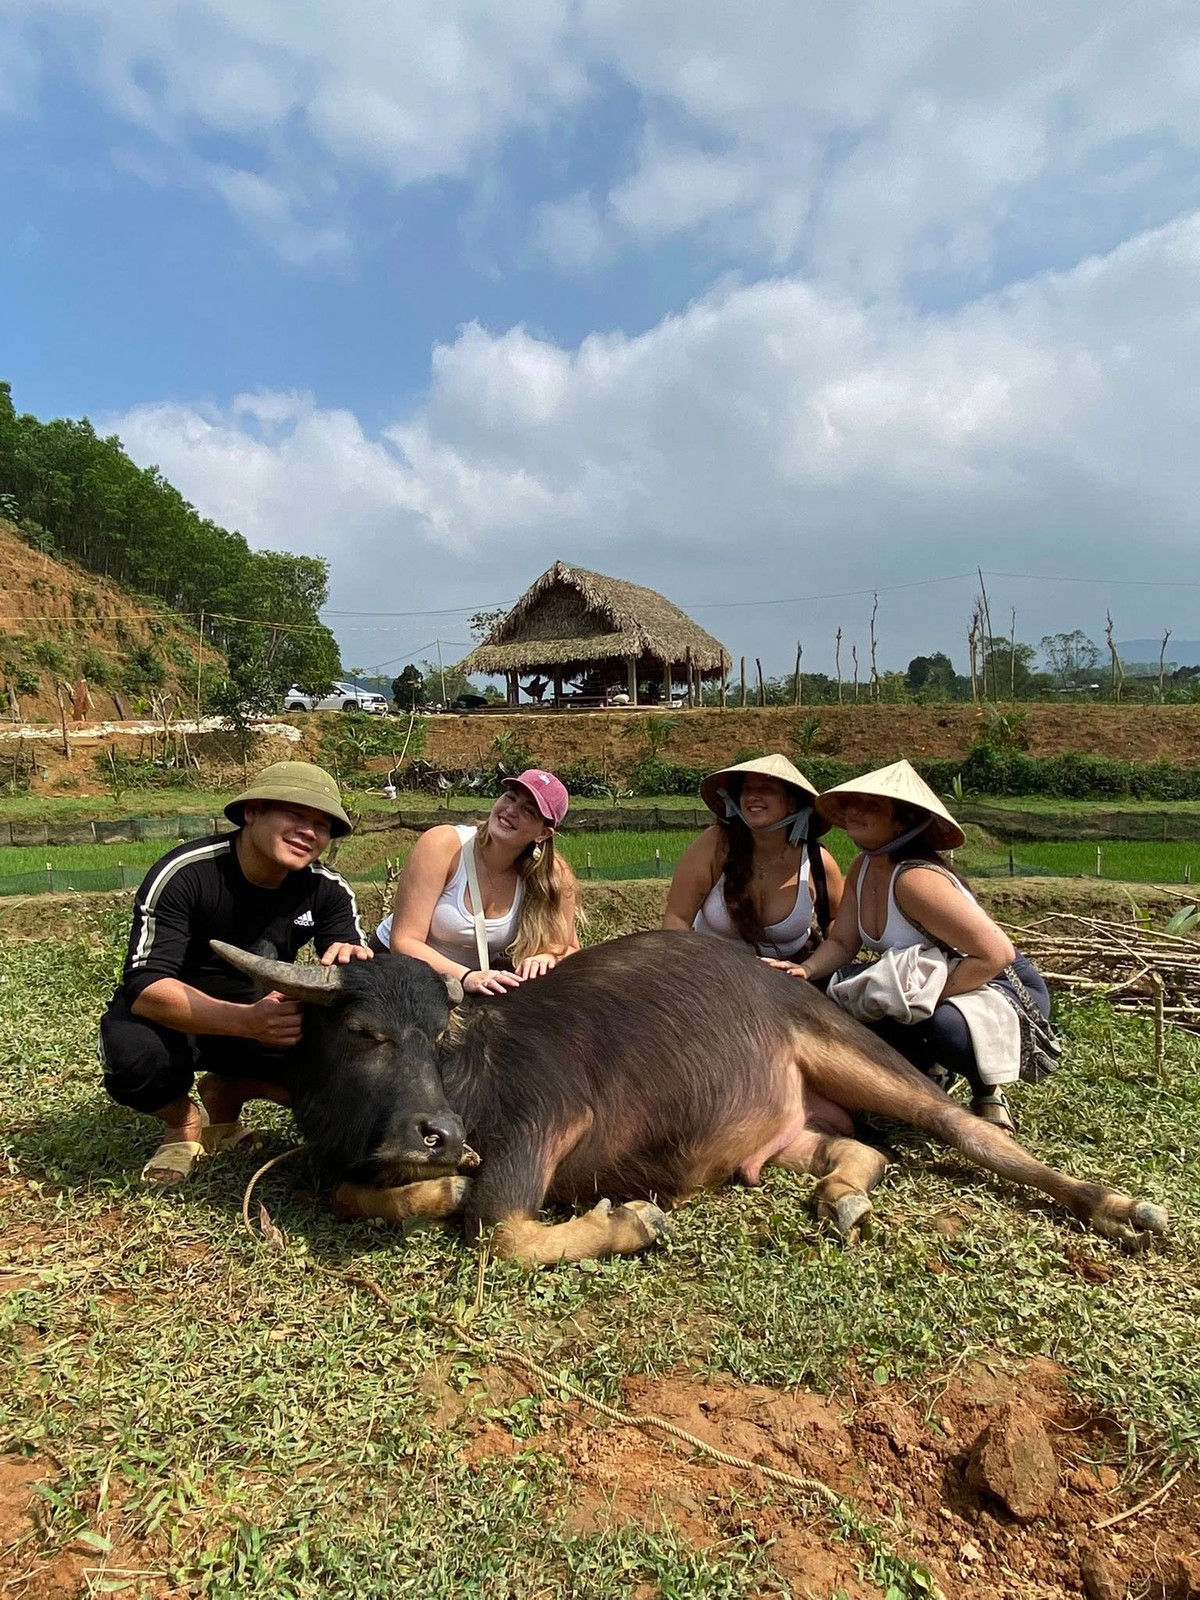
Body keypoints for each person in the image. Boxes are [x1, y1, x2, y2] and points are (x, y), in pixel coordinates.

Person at [99, 762, 372, 1185]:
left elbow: (347, 960)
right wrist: (245, 1022)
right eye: (295, 815)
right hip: (180, 1016)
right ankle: (184, 1123)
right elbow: (145, 986)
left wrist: (351, 959)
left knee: (343, 1069)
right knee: (132, 1056)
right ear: (252, 813)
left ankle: (226, 1093)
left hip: (263, 1017)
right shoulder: (187, 874)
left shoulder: (326, 889)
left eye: (322, 824)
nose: (309, 832)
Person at [774, 759, 1052, 1133]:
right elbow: (842, 940)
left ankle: (987, 1088)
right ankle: (926, 1069)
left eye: (871, 804)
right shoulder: (863, 867)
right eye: (852, 802)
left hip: (994, 984)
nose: (855, 811)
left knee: (946, 1030)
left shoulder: (915, 880)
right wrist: (805, 970)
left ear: (901, 821)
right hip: (923, 980)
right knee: (830, 1001)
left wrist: (925, 998)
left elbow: (995, 955)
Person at [374, 768, 580, 996]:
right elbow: (404, 941)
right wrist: (465, 976)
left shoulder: (553, 874)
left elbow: (571, 948)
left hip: (473, 983)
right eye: (510, 797)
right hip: (400, 971)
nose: (511, 810)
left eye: (528, 811)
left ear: (542, 834)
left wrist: (549, 956)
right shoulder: (443, 845)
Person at [663, 754, 844, 959]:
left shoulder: (817, 862)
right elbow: (678, 916)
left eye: (766, 789)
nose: (753, 796)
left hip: (789, 978)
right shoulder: (715, 845)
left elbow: (838, 926)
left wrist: (815, 967)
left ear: (791, 803)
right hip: (713, 973)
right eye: (747, 789)